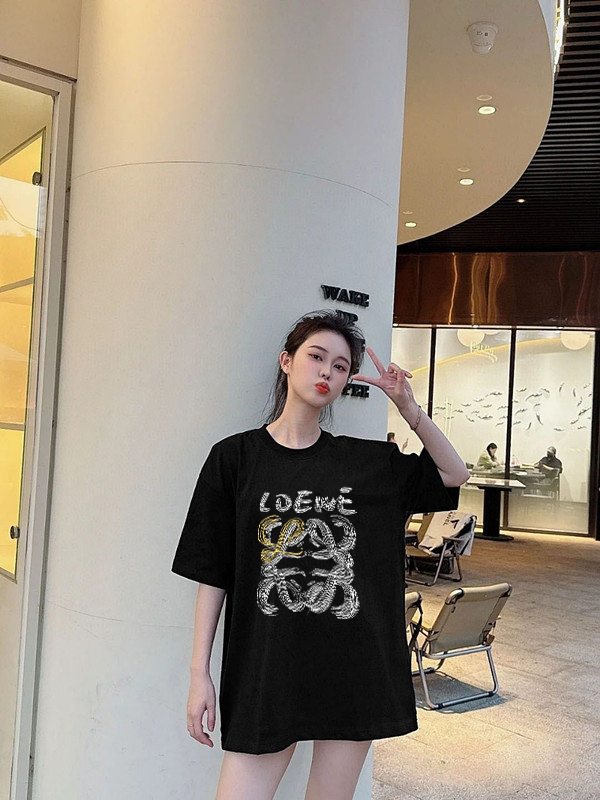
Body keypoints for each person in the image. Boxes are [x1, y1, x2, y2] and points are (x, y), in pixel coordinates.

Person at [171, 309, 469, 800]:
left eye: (341, 365)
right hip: (267, 667)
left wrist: (409, 408)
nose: (327, 371)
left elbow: (454, 474)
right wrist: (199, 674)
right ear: (287, 361)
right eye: (316, 357)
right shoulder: (235, 459)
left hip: (353, 667)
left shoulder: (367, 463)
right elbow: (213, 571)